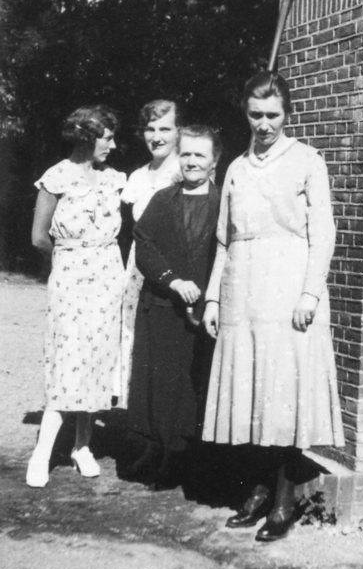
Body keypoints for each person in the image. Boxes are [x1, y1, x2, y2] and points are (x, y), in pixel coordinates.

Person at [202, 70, 345, 542]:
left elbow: (323, 234)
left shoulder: (307, 161)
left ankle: (285, 499)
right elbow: (224, 240)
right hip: (243, 289)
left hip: (288, 288)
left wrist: (309, 294)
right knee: (252, 391)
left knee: (284, 393)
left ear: (287, 114)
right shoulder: (237, 169)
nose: (264, 124)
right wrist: (213, 296)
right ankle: (260, 490)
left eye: (273, 115)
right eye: (255, 115)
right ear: (245, 115)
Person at [26, 105, 125, 487]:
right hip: (70, 277)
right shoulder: (56, 177)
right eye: (107, 138)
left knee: (98, 359)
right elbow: (39, 237)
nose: (112, 146)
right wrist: (69, 261)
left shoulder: (114, 179)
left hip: (108, 278)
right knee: (68, 359)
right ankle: (42, 452)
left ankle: (82, 446)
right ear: (86, 138)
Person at [126, 124, 221, 487]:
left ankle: (181, 455)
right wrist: (173, 281)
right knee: (158, 379)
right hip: (163, 305)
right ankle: (154, 448)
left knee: (191, 382)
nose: (192, 161)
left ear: (215, 160)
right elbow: (143, 244)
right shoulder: (163, 200)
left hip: (204, 311)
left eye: (200, 154)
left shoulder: (223, 203)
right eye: (186, 154)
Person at [117, 99, 181, 407]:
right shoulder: (137, 178)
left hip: (172, 268)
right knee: (136, 340)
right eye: (150, 129)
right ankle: (138, 422)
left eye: (165, 129)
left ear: (179, 131)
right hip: (138, 270)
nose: (156, 137)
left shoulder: (186, 170)